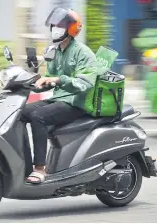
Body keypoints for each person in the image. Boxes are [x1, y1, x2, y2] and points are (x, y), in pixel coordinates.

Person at [21, 7, 99, 184]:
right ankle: (22, 162)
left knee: (38, 117)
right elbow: (49, 79)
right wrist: (33, 82)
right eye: (54, 26)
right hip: (59, 99)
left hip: (75, 103)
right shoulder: (55, 51)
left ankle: (40, 169)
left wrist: (59, 80)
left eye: (60, 26)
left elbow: (84, 85)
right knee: (20, 112)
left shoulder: (83, 53)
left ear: (71, 30)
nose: (55, 29)